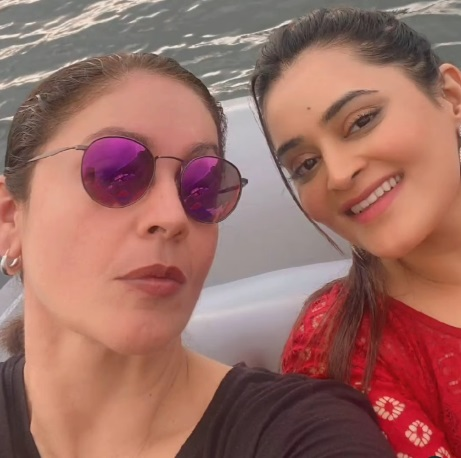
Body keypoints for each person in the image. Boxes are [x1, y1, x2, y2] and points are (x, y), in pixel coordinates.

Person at [0, 52, 394, 457]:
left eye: (202, 187)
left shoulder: (304, 432)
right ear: (10, 219)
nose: (173, 216)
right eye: (116, 174)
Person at [251, 7, 461, 457]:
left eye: (361, 121)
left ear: (451, 97)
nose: (339, 174)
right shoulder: (341, 355)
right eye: (306, 165)